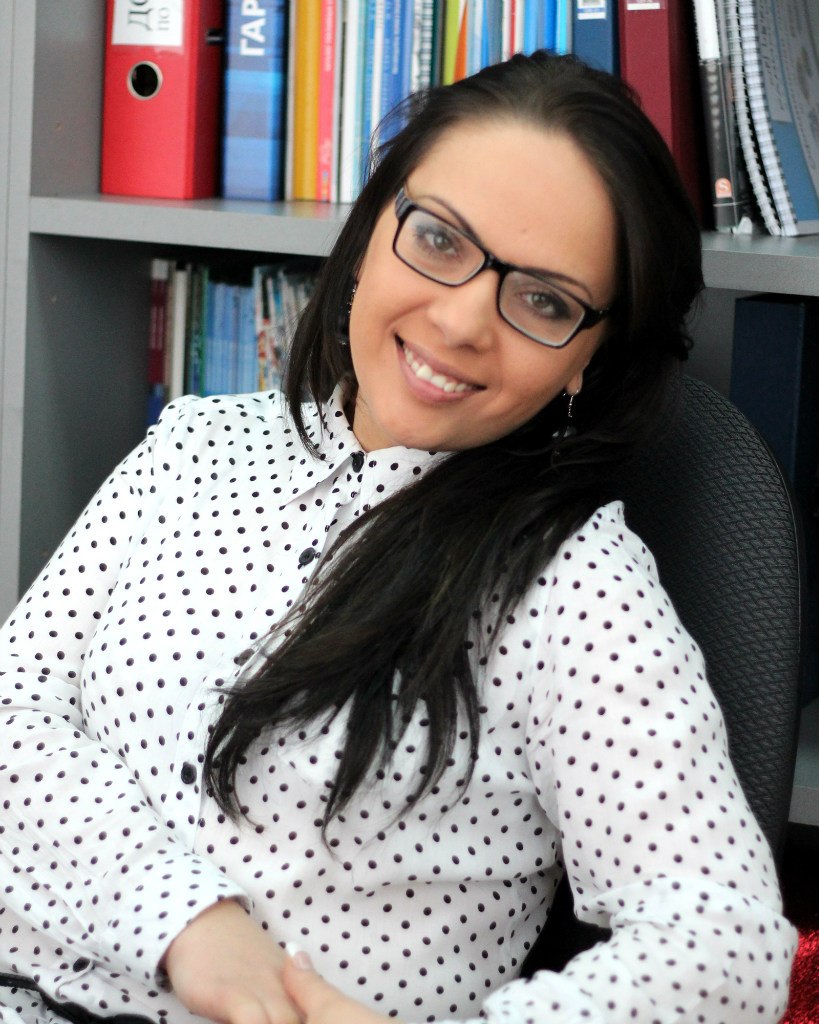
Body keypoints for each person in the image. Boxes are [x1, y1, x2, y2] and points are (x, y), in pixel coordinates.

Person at [0, 50, 797, 1024]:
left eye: (543, 300)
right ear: (375, 224)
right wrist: (182, 921)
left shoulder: (573, 584)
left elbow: (725, 945)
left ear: (589, 357)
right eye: (439, 239)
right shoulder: (195, 444)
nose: (461, 321)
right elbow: (11, 718)